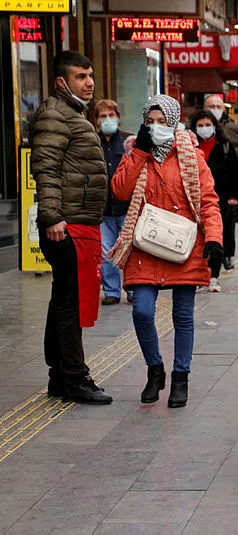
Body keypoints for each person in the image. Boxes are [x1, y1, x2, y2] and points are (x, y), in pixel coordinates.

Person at [110, 95, 223, 408]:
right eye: (151, 121)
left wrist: (214, 238)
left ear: (173, 123)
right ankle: (155, 369)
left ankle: (181, 377)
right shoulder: (135, 151)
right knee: (142, 310)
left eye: (162, 122)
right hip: (144, 244)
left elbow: (208, 200)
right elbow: (119, 190)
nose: (156, 127)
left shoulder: (190, 153)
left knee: (183, 315)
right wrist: (140, 153)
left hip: (183, 246)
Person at [30, 51, 113, 405]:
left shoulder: (73, 113)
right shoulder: (55, 114)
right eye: (81, 76)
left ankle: (60, 376)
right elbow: (46, 169)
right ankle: (75, 377)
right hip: (66, 224)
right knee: (71, 304)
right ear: (61, 82)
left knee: (64, 300)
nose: (90, 82)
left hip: (76, 222)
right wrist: (52, 217)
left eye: (91, 75)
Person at [191, 110, 238, 291]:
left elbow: (235, 173)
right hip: (195, 199)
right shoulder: (190, 147)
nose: (204, 129)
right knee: (198, 239)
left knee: (216, 237)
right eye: (200, 125)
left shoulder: (224, 146)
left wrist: (235, 197)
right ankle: (199, 275)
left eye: (207, 125)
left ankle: (214, 276)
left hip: (220, 199)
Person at [94, 99, 132, 306]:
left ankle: (133, 288)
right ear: (97, 121)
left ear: (118, 118)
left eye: (111, 115)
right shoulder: (91, 142)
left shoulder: (128, 141)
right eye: (103, 116)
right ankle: (112, 291)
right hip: (103, 209)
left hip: (126, 206)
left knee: (129, 249)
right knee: (106, 251)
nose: (108, 120)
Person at [203, 94, 238, 167]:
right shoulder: (198, 125)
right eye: (212, 107)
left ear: (223, 109)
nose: (215, 109)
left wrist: (227, 154)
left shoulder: (231, 127)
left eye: (218, 107)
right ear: (204, 108)